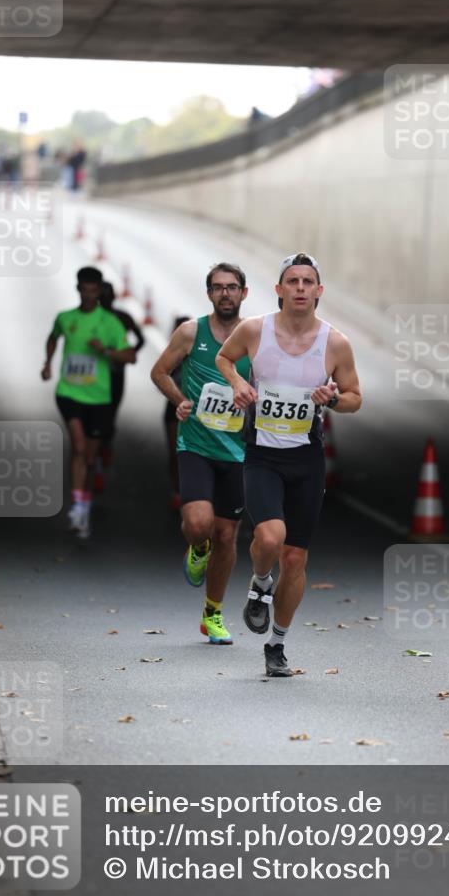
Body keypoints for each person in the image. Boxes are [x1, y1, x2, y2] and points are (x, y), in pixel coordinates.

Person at [215, 253, 362, 677]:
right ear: (279, 289)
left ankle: (276, 645)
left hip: (306, 459)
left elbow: (355, 398)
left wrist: (333, 398)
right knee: (270, 536)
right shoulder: (254, 329)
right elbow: (225, 358)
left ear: (319, 291)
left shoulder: (335, 343)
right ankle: (261, 581)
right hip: (262, 454)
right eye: (292, 281)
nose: (300, 288)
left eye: (307, 282)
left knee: (295, 560)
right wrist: (238, 383)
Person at [150, 264, 251, 645]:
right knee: (199, 524)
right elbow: (160, 371)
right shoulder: (191, 332)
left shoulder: (256, 337)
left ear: (244, 293)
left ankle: (212, 614)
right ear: (209, 294)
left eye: (232, 287)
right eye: (218, 287)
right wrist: (179, 400)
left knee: (227, 535)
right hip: (195, 445)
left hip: (238, 452)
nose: (225, 293)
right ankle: (198, 546)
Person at [41, 266, 138, 540]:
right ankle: (76, 507)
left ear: (98, 291)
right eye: (84, 289)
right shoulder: (65, 318)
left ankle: (84, 505)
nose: (88, 295)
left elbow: (130, 355)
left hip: (99, 398)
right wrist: (48, 363)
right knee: (79, 447)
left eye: (93, 290)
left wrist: (105, 350)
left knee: (90, 457)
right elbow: (53, 337)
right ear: (78, 289)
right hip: (68, 393)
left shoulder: (109, 322)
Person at [93, 281, 146, 490]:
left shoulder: (123, 317)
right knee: (96, 417)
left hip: (115, 374)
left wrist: (126, 354)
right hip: (95, 377)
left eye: (107, 297)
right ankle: (97, 457)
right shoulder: (94, 318)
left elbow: (141, 339)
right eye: (102, 298)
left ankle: (104, 448)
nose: (105, 301)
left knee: (109, 415)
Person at [163, 315, 192, 510]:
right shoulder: (172, 353)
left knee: (194, 454)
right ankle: (176, 491)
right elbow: (159, 376)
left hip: (198, 412)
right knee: (176, 452)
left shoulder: (201, 352)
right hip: (173, 409)